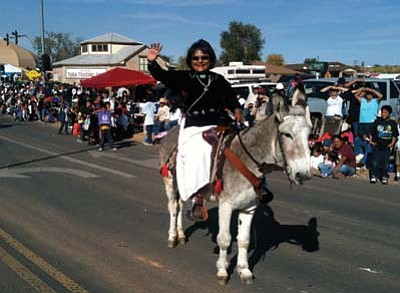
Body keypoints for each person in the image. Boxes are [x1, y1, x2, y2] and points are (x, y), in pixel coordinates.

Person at [147, 40, 242, 206]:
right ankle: (198, 194)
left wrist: (237, 109)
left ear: (210, 58)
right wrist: (152, 62)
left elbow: (231, 97)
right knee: (198, 151)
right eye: (195, 58)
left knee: (246, 145)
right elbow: (163, 76)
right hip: (195, 125)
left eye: (204, 57)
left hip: (220, 122)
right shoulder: (183, 77)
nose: (200, 60)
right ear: (190, 60)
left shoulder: (219, 79)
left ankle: (256, 184)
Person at [369, 105, 399, 184]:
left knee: (385, 162)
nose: (383, 114)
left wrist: (392, 143)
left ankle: (384, 177)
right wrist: (371, 141)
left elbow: (395, 135)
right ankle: (374, 176)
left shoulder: (392, 123)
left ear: (389, 113)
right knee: (375, 161)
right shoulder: (377, 122)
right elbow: (372, 132)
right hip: (376, 145)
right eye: (382, 112)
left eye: (385, 113)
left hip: (386, 146)